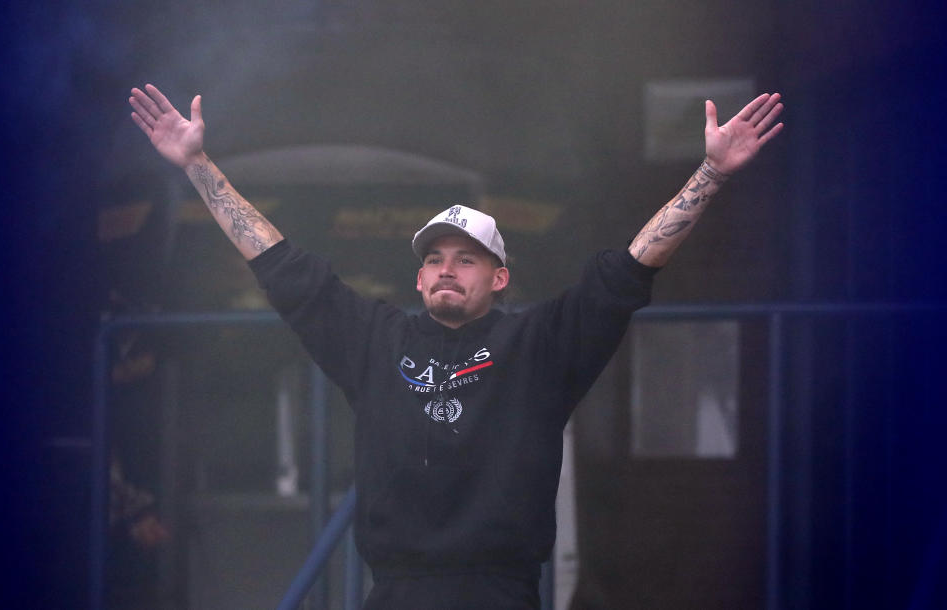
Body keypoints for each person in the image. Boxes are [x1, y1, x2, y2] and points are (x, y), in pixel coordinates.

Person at [129, 83, 783, 609]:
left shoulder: (536, 346)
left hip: (499, 593)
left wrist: (711, 173)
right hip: (396, 592)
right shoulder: (376, 339)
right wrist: (196, 165)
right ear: (417, 277)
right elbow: (282, 266)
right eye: (436, 258)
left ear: (499, 278)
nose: (448, 268)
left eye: (468, 259)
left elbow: (628, 274)